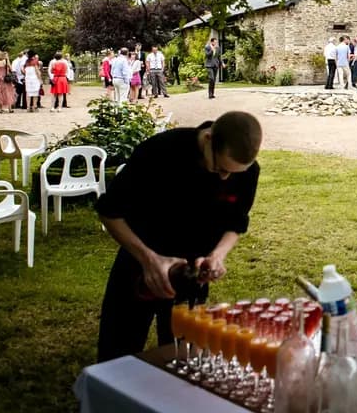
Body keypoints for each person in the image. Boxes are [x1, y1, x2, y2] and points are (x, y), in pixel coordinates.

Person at [95, 111, 262, 362]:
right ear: (208, 138)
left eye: (234, 173)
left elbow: (236, 222)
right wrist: (149, 259)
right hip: (140, 265)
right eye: (219, 168)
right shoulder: (159, 151)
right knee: (117, 355)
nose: (225, 177)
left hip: (192, 273)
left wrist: (217, 256)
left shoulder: (246, 172)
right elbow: (110, 213)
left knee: (184, 359)